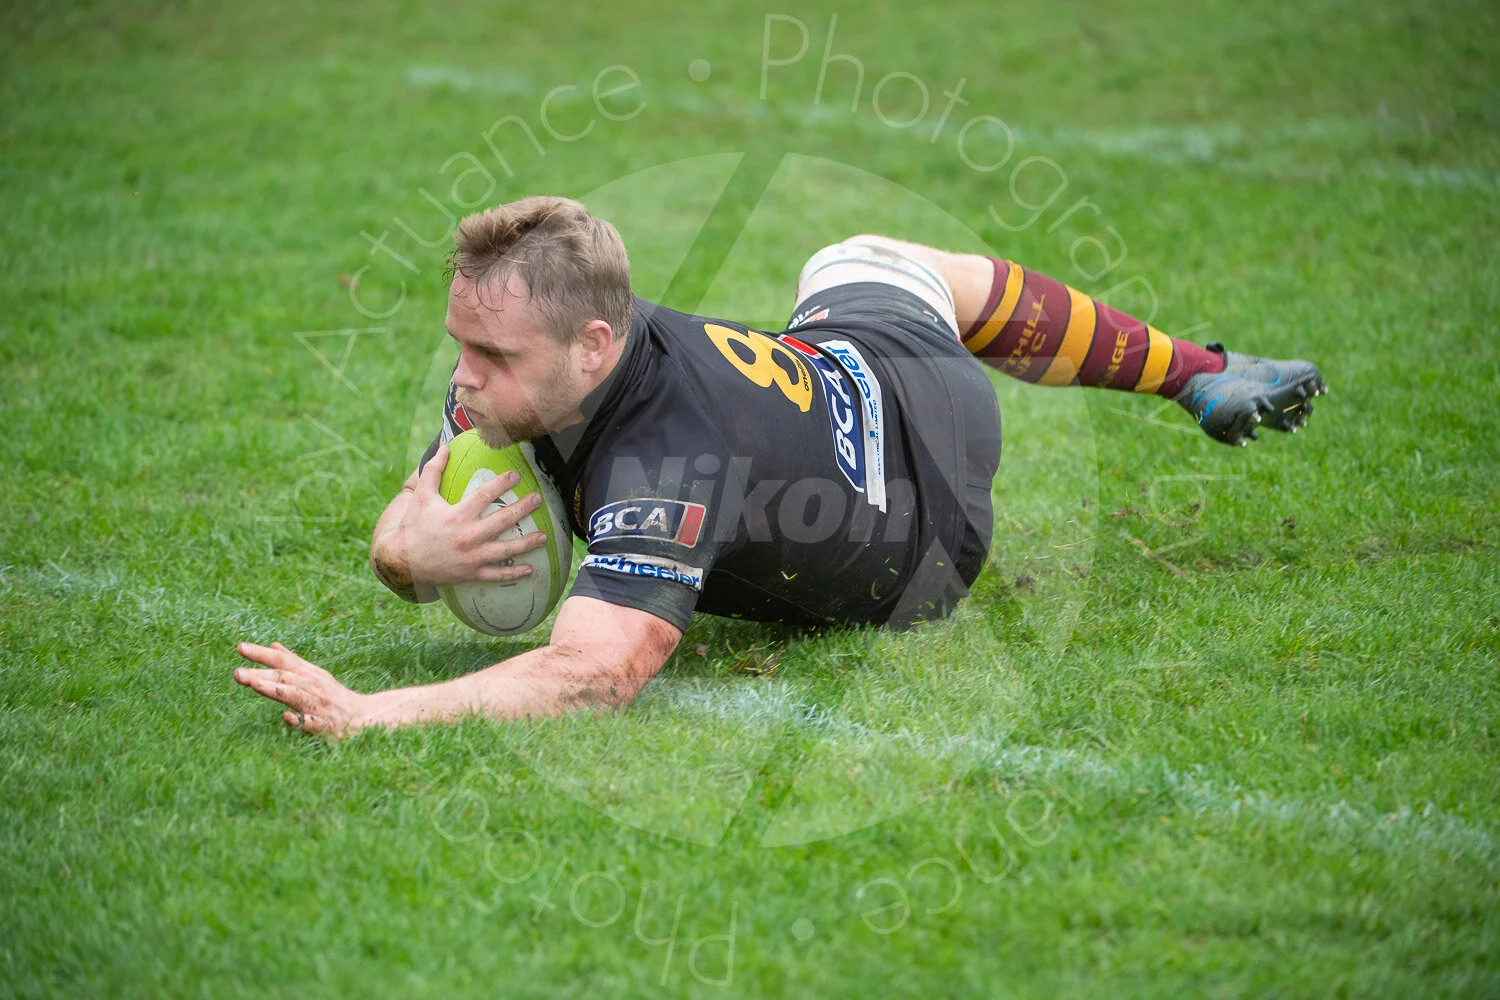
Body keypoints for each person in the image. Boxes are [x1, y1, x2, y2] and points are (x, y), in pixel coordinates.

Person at [233, 196, 1325, 736]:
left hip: (926, 508)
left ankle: (1197, 372)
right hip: (830, 371)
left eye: (494, 357)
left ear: (594, 347)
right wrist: (402, 555)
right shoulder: (524, 371)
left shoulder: (668, 455)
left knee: (871, 259)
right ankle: (1202, 375)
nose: (463, 378)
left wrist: (371, 711)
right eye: (461, 344)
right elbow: (411, 517)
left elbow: (596, 674)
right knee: (857, 259)